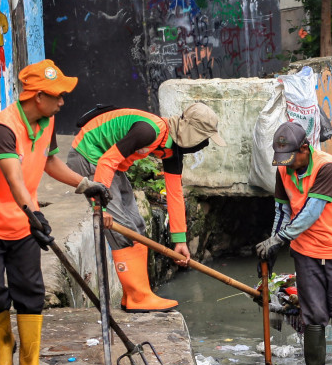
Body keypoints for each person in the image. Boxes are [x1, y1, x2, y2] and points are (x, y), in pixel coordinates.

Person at [0, 60, 110, 365]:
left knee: (30, 293)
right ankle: (5, 342)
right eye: (57, 96)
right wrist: (36, 214)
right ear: (38, 96)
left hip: (22, 225)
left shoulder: (46, 120)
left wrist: (84, 184)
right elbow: (14, 177)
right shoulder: (2, 128)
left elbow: (49, 161)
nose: (62, 102)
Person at [67, 103, 225, 312]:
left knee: (138, 226)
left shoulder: (171, 150)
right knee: (119, 227)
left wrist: (180, 240)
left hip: (110, 164)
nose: (203, 144)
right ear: (190, 132)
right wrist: (101, 208)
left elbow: (175, 193)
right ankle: (138, 298)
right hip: (89, 156)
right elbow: (107, 161)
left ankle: (138, 294)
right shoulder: (148, 131)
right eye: (203, 138)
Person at [254, 122, 332, 365]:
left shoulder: (327, 167)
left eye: (292, 159)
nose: (288, 166)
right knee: (314, 316)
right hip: (306, 252)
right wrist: (272, 246)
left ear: (305, 149)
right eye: (283, 161)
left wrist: (280, 239)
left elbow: (312, 211)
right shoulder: (284, 170)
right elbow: (282, 210)